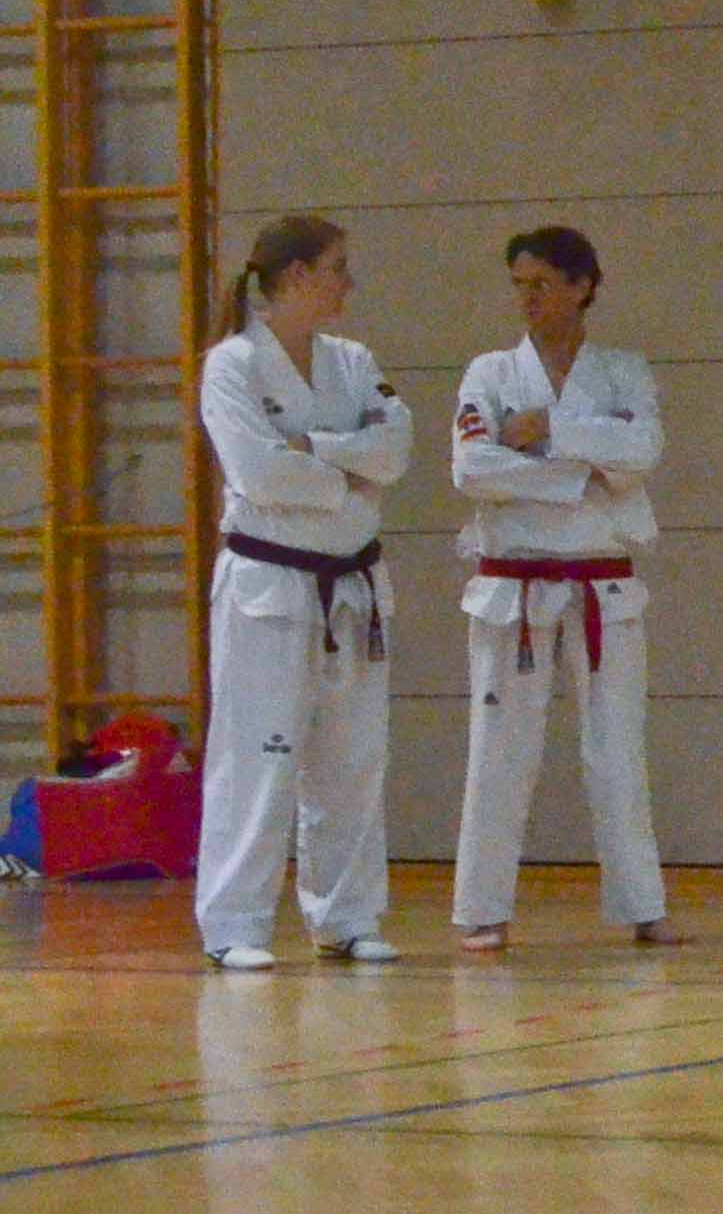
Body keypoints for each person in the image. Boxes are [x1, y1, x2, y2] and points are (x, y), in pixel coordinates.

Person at [448, 224, 679, 952]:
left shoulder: (622, 371)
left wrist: (551, 427)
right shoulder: (490, 373)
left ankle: (643, 905)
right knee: (499, 749)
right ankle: (482, 909)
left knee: (618, 750)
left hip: (602, 587)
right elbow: (472, 470)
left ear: (583, 287)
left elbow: (642, 451)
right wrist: (582, 474)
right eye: (519, 285)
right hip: (511, 588)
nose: (527, 298)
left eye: (542, 285)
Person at [195, 214, 411, 970]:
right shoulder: (232, 365)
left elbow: (394, 451)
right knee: (259, 754)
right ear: (296, 276)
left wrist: (312, 449)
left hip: (352, 581)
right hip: (268, 583)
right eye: (337, 267)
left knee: (353, 758)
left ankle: (346, 917)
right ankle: (235, 924)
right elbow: (257, 474)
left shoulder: (352, 362)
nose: (349, 282)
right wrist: (345, 480)